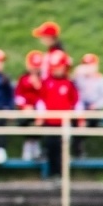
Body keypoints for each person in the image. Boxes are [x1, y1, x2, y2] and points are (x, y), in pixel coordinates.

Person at [37, 49, 80, 177]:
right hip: (50, 122)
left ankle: (62, 174)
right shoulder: (46, 83)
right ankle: (52, 173)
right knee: (51, 147)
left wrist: (78, 117)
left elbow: (75, 101)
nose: (58, 70)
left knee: (63, 149)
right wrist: (40, 116)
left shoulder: (69, 84)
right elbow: (41, 101)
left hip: (64, 122)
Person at [15, 50, 46, 165]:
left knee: (40, 123)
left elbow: (45, 97)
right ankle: (28, 144)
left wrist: (38, 86)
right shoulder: (23, 79)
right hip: (26, 110)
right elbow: (18, 95)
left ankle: (36, 144)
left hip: (40, 110)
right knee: (26, 120)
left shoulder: (44, 80)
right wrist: (24, 106)